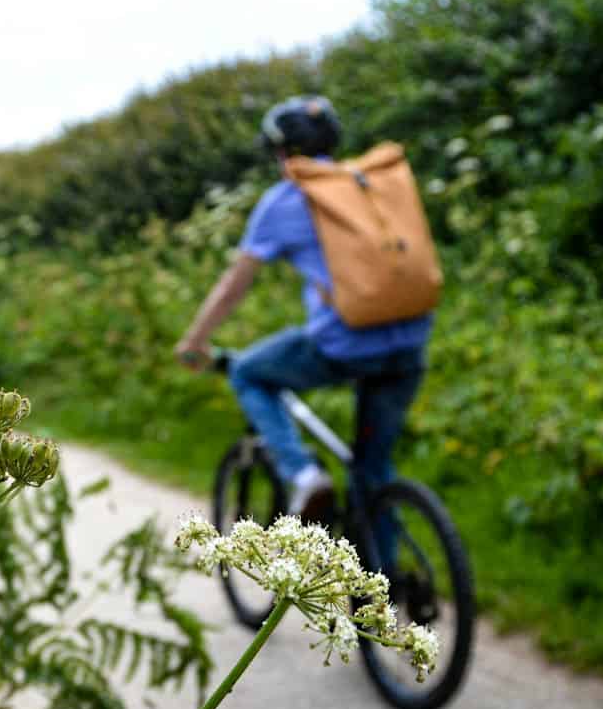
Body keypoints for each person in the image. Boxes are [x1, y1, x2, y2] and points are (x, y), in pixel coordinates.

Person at [173, 95, 432, 524]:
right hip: (411, 341)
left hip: (344, 344)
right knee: (372, 472)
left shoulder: (287, 199)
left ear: (281, 151)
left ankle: (304, 474)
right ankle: (381, 585)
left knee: (248, 372)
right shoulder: (367, 183)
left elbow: (233, 286)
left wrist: (195, 340)